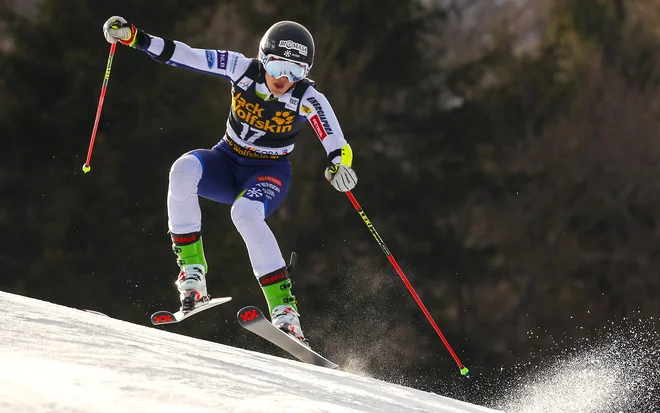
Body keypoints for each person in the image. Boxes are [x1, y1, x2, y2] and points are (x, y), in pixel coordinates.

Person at [102, 16, 357, 344]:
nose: (284, 79)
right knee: (182, 171)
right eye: (279, 67)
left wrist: (339, 165)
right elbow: (188, 55)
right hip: (226, 160)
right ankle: (192, 275)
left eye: (296, 72)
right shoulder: (240, 67)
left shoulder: (307, 97)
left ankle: (285, 312)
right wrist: (136, 38)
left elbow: (337, 142)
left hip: (268, 172)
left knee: (245, 214)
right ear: (264, 58)